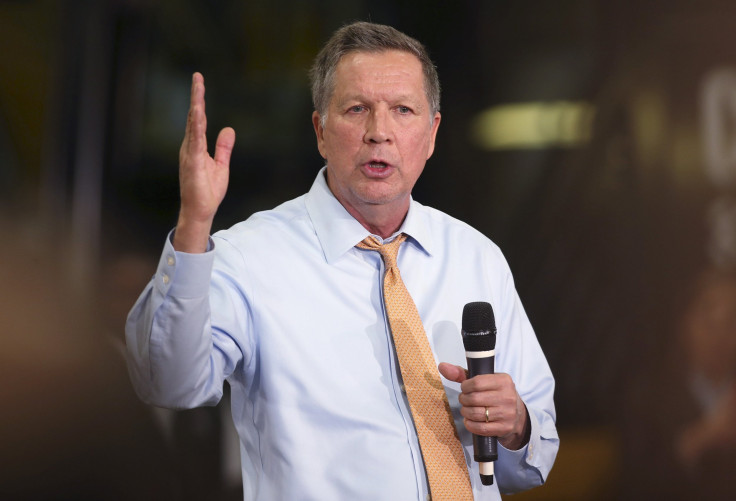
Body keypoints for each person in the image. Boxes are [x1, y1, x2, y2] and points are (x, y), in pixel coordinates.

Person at [126, 21, 558, 500]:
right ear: (320, 131)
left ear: (432, 133)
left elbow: (532, 463)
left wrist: (517, 424)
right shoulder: (248, 258)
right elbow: (167, 383)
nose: (379, 133)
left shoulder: (477, 257)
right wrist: (192, 226)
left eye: (403, 110)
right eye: (357, 109)